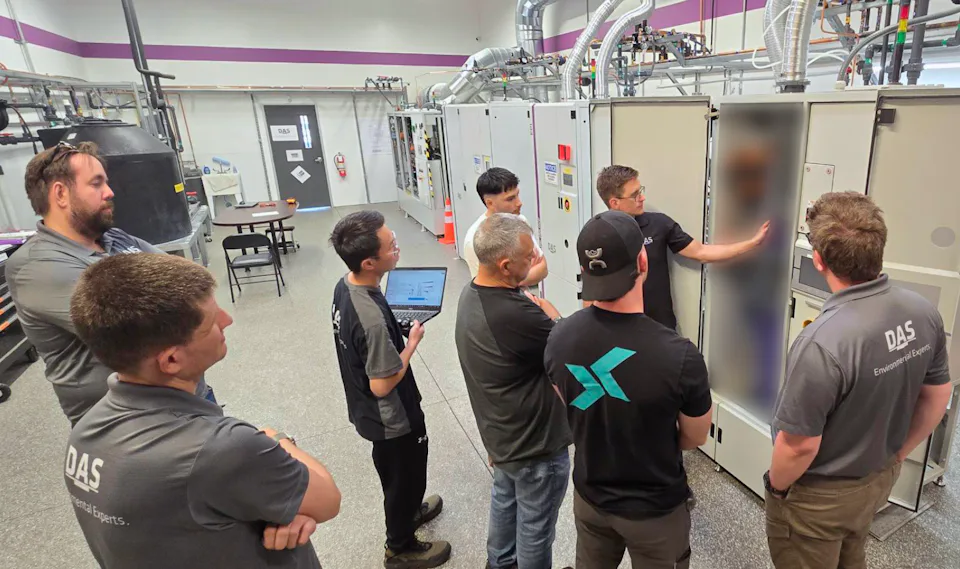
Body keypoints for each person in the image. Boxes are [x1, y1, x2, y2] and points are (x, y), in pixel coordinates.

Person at [65, 253, 341, 569]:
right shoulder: (224, 448)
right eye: (211, 321)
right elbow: (328, 500)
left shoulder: (84, 432)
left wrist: (274, 510)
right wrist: (275, 438)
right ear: (171, 360)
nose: (227, 319)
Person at [764, 192, 952, 569]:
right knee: (852, 554)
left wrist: (777, 487)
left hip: (820, 498)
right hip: (878, 479)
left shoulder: (822, 341)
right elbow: (938, 396)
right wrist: (897, 454)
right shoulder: (922, 311)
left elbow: (798, 447)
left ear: (818, 260)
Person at [544, 211, 713, 569]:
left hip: (590, 499)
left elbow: (571, 404)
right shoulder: (678, 355)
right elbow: (695, 436)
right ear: (642, 260)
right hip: (655, 512)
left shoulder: (558, 337)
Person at [6, 141, 212, 425]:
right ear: (60, 193)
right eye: (97, 183)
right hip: (132, 427)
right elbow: (148, 325)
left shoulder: (115, 238)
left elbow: (193, 279)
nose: (110, 192)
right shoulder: (37, 267)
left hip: (189, 398)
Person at [329, 211, 450, 569]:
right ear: (369, 262)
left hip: (366, 409)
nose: (397, 249)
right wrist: (410, 343)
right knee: (403, 476)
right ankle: (400, 547)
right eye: (391, 246)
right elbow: (382, 385)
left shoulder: (347, 284)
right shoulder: (372, 321)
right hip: (391, 416)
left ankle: (411, 510)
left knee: (398, 473)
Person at [454, 214, 572, 569]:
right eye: (528, 256)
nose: (535, 258)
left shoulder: (473, 292)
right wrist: (554, 316)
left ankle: (500, 563)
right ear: (505, 266)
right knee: (536, 529)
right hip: (535, 444)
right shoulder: (518, 315)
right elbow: (570, 348)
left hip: (503, 435)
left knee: (506, 501)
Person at [595, 164, 769, 330]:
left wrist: (752, 242)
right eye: (635, 195)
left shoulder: (659, 224)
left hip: (658, 325)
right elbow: (593, 290)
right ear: (614, 202)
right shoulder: (596, 235)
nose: (642, 198)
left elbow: (701, 252)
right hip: (619, 327)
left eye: (640, 191)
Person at [462, 167, 547, 286]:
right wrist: (524, 276)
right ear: (490, 203)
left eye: (517, 195)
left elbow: (542, 268)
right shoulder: (475, 238)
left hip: (522, 299)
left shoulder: (520, 222)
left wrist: (511, 281)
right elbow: (488, 287)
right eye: (510, 199)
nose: (519, 203)